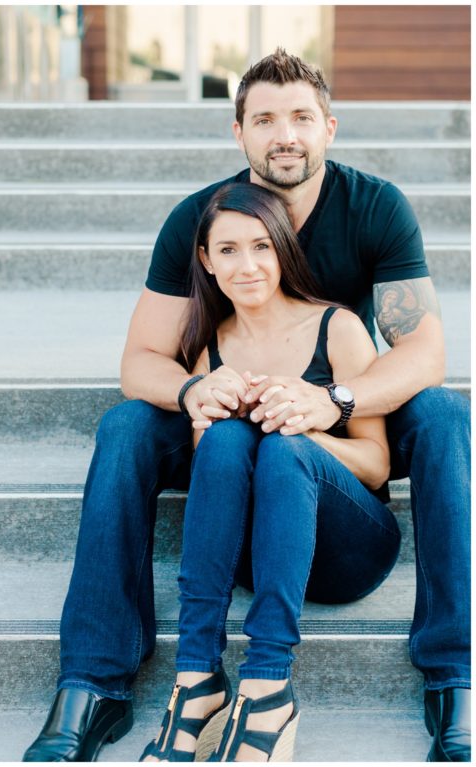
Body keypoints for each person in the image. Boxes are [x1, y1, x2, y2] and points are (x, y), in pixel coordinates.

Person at [23, 48, 470, 763]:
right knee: (126, 426)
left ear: (329, 126)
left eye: (299, 117)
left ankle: (455, 675)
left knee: (447, 415)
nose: (283, 133)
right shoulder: (203, 221)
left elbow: (423, 352)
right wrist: (196, 389)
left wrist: (334, 401)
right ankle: (95, 682)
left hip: (342, 398)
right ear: (239, 132)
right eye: (264, 118)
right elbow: (141, 361)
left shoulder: (375, 207)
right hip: (234, 411)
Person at [139, 182, 400, 762]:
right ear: (206, 261)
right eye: (227, 250)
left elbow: (378, 465)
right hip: (262, 558)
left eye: (261, 246)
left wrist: (304, 423)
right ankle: (196, 675)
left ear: (283, 250)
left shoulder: (339, 328)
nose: (247, 265)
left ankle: (268, 683)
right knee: (229, 438)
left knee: (284, 448)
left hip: (351, 550)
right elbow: (219, 483)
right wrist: (216, 416)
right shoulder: (208, 353)